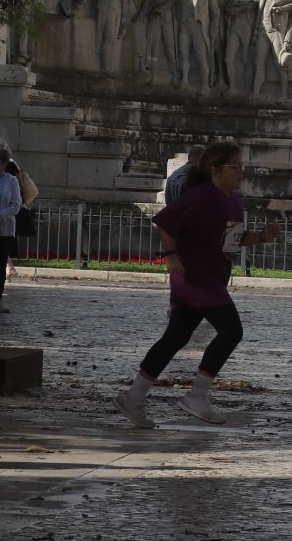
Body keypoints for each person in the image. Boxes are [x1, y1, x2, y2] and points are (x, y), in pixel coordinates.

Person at [117, 141, 280, 427]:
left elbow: (234, 241)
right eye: (235, 166)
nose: (241, 171)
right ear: (216, 170)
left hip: (211, 277)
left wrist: (263, 236)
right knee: (231, 331)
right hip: (195, 278)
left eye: (242, 166)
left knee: (175, 338)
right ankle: (197, 395)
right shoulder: (202, 195)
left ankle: (133, 397)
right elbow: (165, 223)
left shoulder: (233, 200)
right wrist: (171, 257)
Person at [0, 146, 22, 314]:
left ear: (4, 163)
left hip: (5, 228)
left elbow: (15, 205)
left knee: (0, 264)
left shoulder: (11, 181)